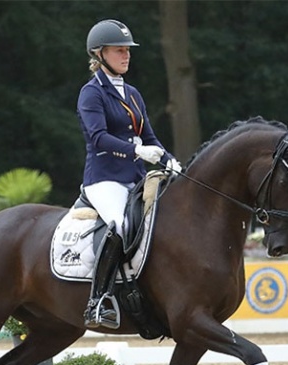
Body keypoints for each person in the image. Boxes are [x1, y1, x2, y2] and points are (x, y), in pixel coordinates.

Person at [78, 19, 181, 329]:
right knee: (120, 226)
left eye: (127, 51)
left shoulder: (133, 94)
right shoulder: (91, 94)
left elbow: (149, 136)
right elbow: (97, 137)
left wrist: (169, 159)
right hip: (104, 178)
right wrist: (135, 151)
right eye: (119, 50)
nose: (126, 56)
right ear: (99, 54)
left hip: (136, 177)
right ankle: (98, 302)